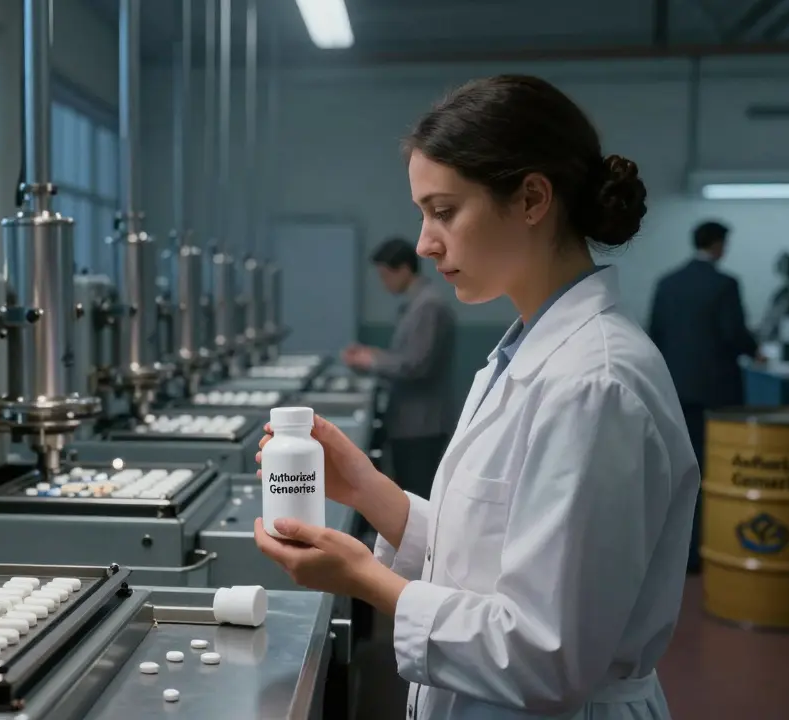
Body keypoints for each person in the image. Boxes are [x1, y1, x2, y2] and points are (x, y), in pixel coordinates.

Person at [252, 75, 699, 720]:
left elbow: (547, 655)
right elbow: (485, 560)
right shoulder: (526, 352)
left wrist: (365, 580)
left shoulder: (593, 384)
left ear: (532, 199)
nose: (424, 242)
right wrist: (367, 488)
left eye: (443, 210)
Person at [648, 220, 760, 572]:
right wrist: (755, 350)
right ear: (717, 244)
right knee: (716, 471)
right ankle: (711, 547)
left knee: (681, 469)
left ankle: (681, 552)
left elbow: (656, 334)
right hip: (717, 394)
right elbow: (733, 334)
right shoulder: (725, 285)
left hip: (675, 390)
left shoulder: (667, 283)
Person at [342, 237, 457, 498]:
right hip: (412, 423)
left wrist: (371, 361)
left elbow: (416, 365)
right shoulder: (416, 304)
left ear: (404, 269)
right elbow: (408, 355)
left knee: (417, 497)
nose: (384, 283)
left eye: (385, 275)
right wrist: (374, 354)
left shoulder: (428, 306)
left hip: (422, 425)